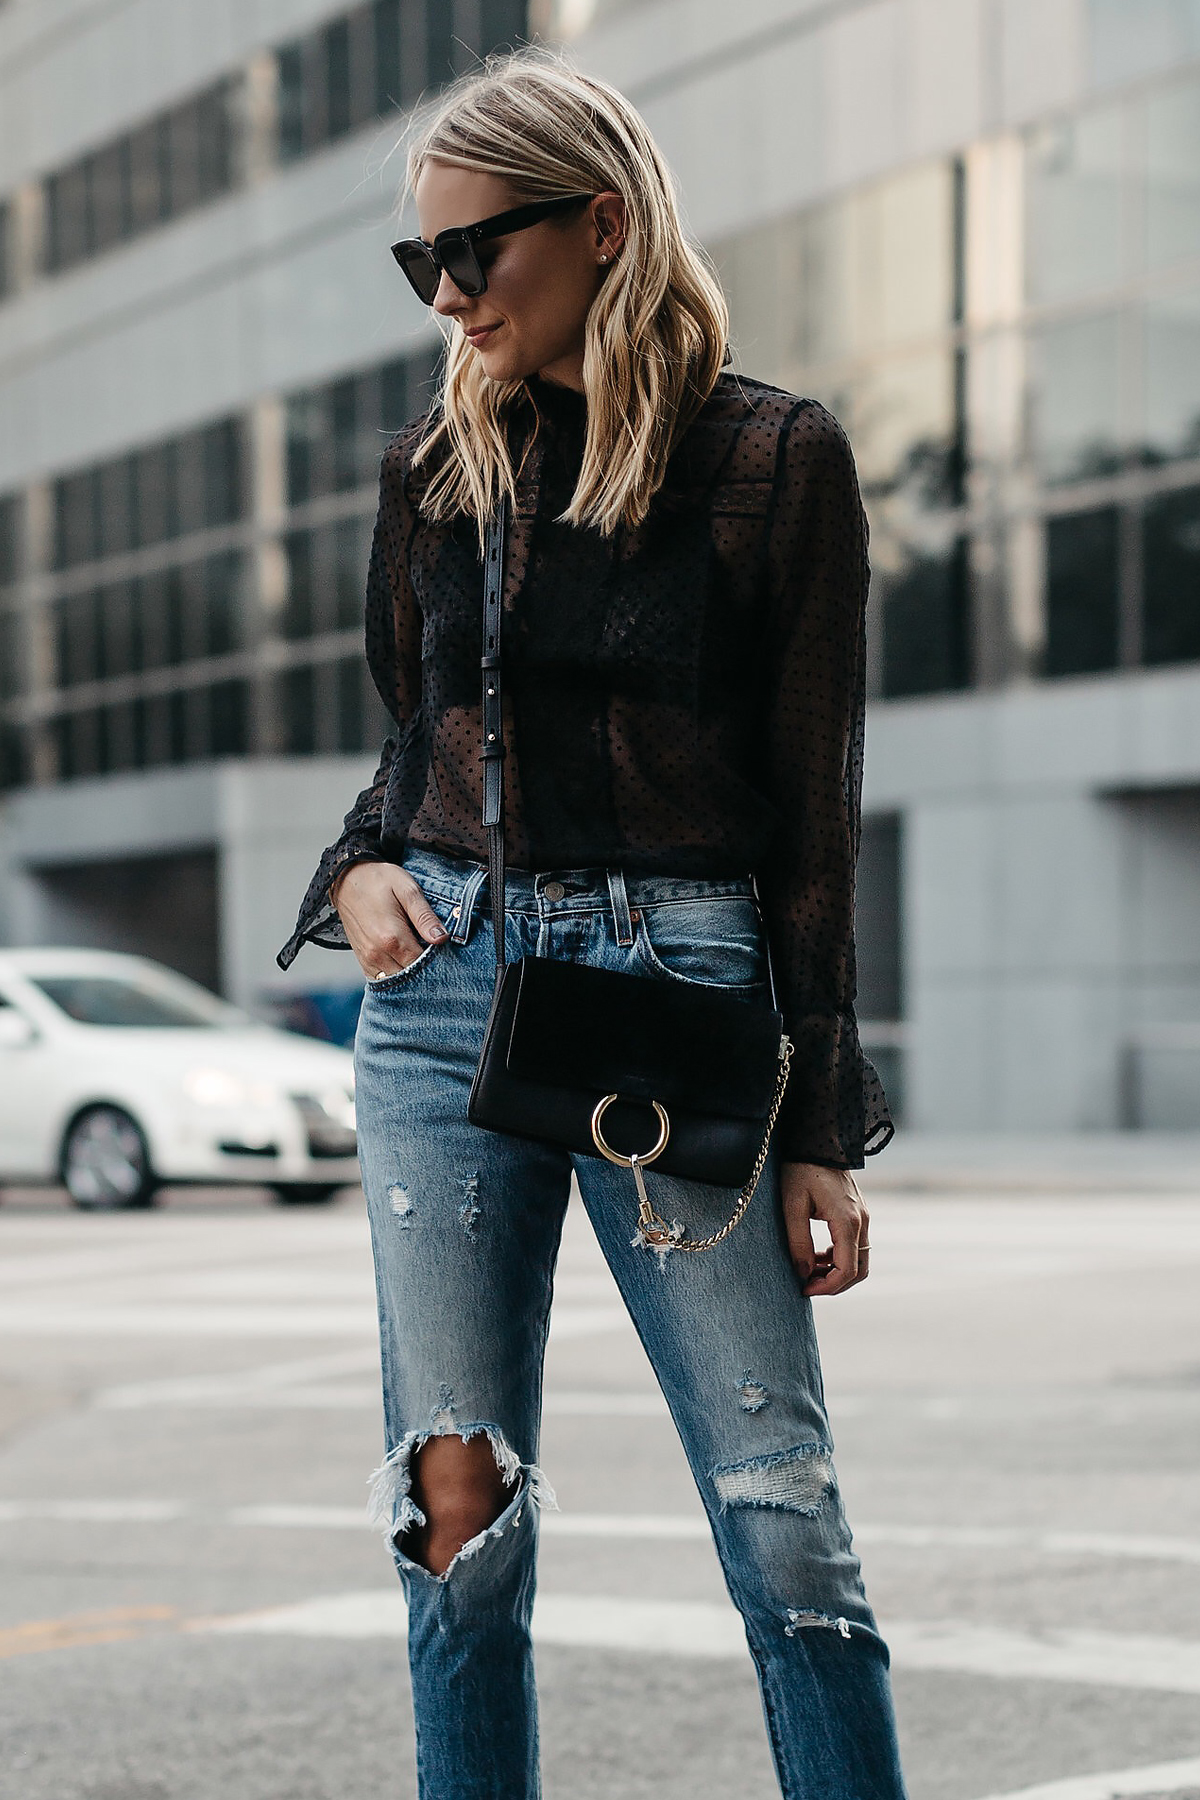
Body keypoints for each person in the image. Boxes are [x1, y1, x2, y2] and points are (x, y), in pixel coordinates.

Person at [276, 44, 906, 1800]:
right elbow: (412, 755)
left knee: (787, 1533)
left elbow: (811, 812)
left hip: (675, 992)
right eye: (426, 266)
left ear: (604, 225)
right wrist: (355, 876)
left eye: (480, 250)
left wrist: (819, 1125)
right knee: (455, 1517)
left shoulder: (778, 462)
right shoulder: (433, 470)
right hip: (439, 996)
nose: (453, 294)